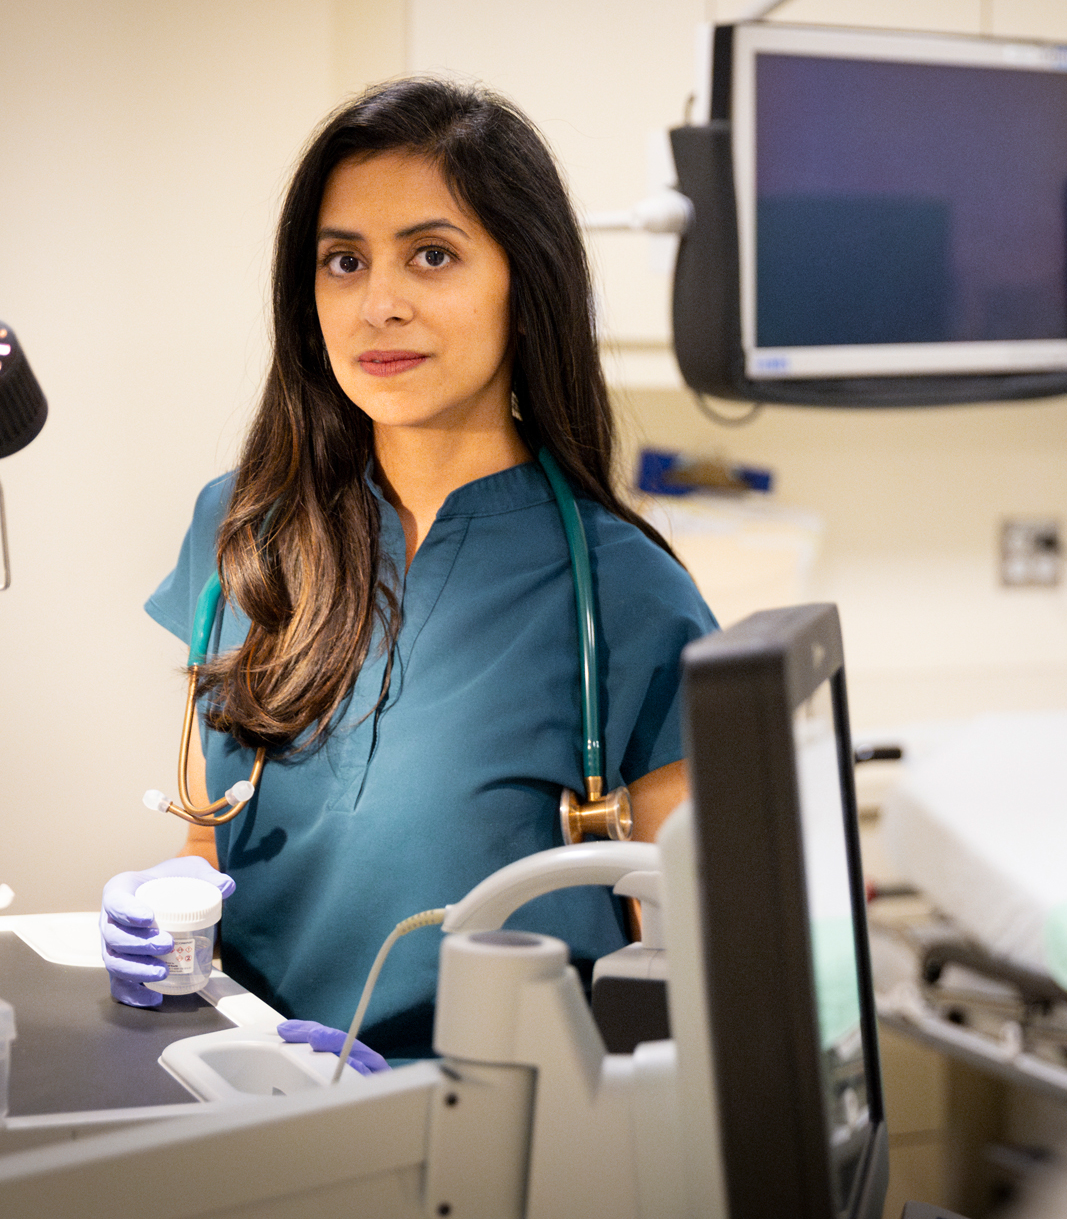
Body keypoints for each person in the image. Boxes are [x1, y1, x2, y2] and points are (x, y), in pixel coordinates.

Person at [97, 77, 717, 1064]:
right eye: (344, 262)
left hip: (495, 1124)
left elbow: (688, 981)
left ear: (527, 285)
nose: (378, 305)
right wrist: (172, 904)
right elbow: (214, 839)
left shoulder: (632, 599)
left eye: (432, 255)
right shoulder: (244, 531)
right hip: (240, 1098)